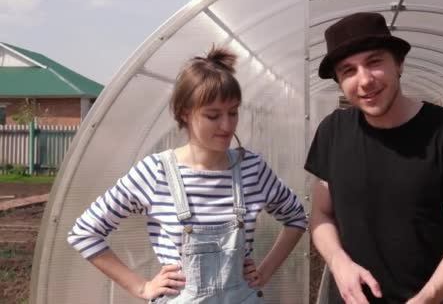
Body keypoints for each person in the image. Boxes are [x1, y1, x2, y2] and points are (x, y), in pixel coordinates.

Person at [68, 46, 307, 303]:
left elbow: (296, 217)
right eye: (213, 116)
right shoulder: (156, 173)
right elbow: (84, 232)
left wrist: (265, 271)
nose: (227, 125)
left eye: (233, 112)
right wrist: (141, 287)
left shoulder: (252, 169)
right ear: (184, 113)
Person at [306, 12, 443, 304]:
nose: (364, 80)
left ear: (399, 64)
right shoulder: (333, 131)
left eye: (374, 62)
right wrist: (340, 264)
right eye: (348, 71)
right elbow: (322, 213)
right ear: (340, 82)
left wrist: (424, 299)